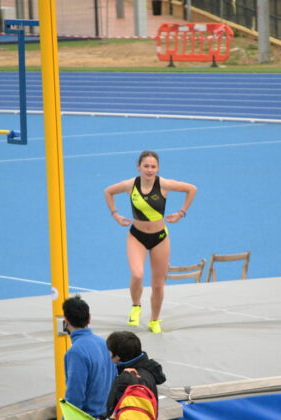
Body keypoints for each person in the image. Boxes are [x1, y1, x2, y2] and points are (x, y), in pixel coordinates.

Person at [104, 150, 197, 334]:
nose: (149, 170)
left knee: (157, 284)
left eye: (153, 166)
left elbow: (191, 189)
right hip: (136, 236)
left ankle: (155, 319)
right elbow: (108, 192)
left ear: (158, 168)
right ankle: (136, 306)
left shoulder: (164, 184)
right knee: (137, 275)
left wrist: (181, 213)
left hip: (160, 238)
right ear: (139, 166)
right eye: (146, 166)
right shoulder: (131, 185)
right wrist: (115, 214)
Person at [62, 295, 117, 418]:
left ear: (66, 321)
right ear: (89, 318)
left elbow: (75, 396)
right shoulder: (104, 344)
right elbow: (113, 378)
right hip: (105, 413)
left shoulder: (76, 352)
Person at [103, 331, 166, 419]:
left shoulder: (133, 380)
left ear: (118, 357)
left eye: (108, 351)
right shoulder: (143, 370)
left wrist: (119, 381)